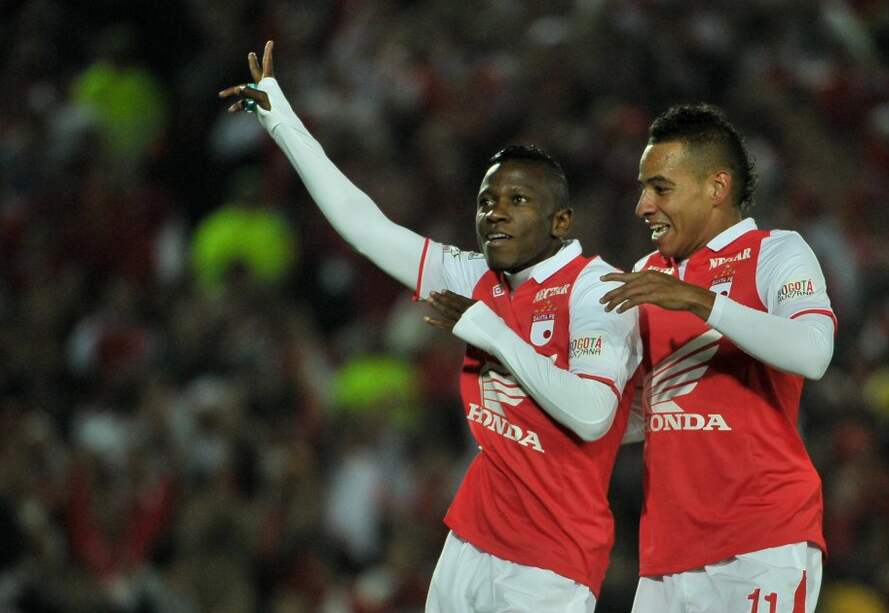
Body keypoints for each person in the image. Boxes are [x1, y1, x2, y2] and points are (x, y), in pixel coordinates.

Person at [219, 41, 642, 612]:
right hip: (470, 541)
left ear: (560, 220)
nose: (495, 212)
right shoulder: (474, 277)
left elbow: (593, 416)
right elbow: (366, 227)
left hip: (551, 562)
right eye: (486, 200)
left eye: (518, 199)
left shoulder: (597, 291)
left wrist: (490, 331)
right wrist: (281, 121)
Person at [600, 103, 836, 613]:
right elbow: (650, 410)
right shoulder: (648, 272)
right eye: (643, 189)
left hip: (761, 542)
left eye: (660, 188)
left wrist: (700, 301)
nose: (643, 206)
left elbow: (814, 351)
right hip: (665, 552)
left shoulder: (775, 251)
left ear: (716, 187)